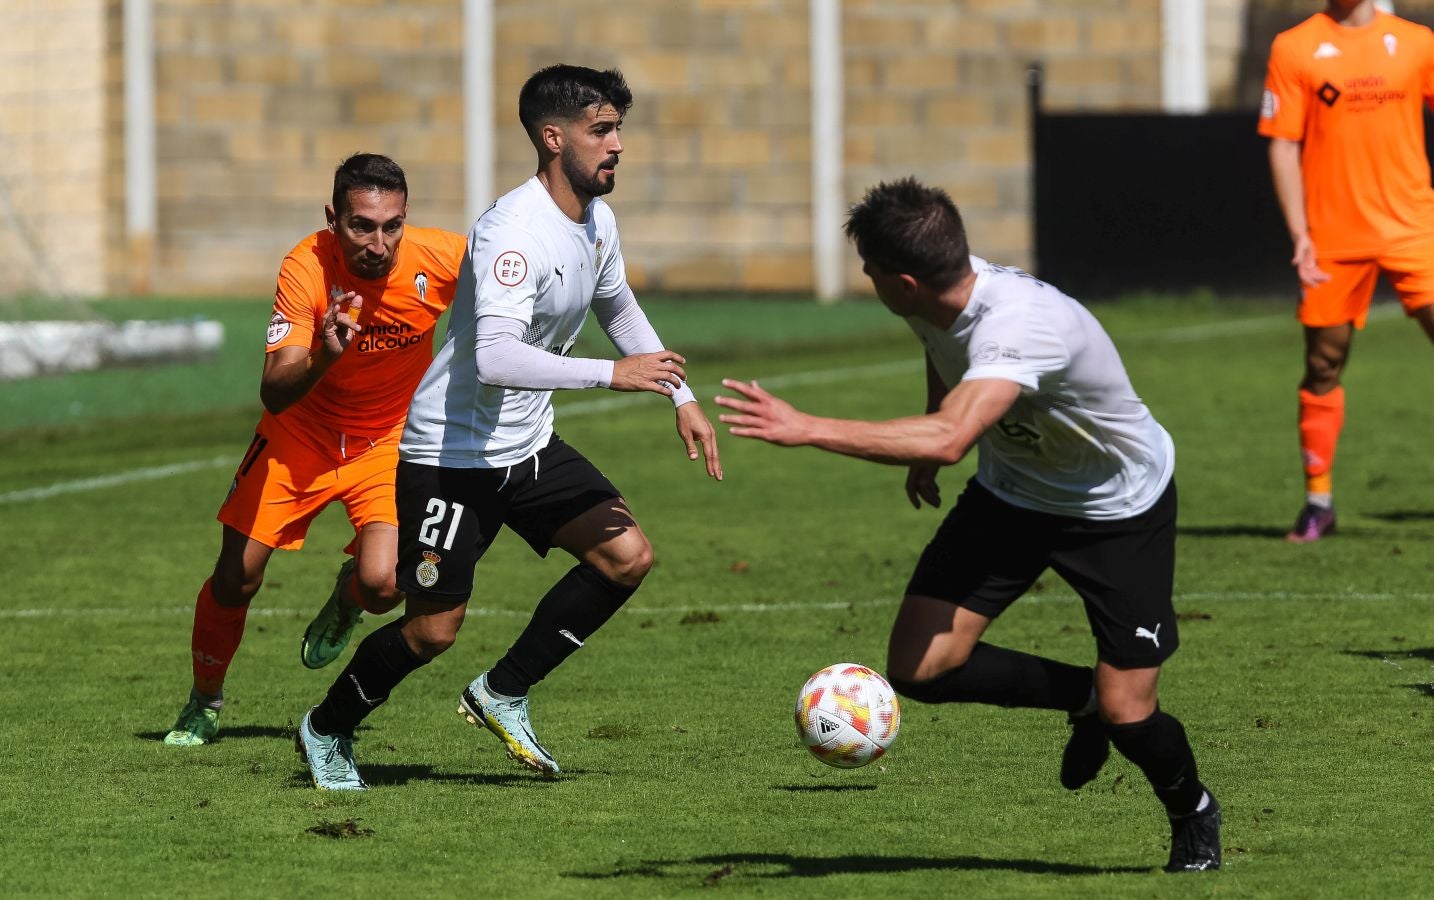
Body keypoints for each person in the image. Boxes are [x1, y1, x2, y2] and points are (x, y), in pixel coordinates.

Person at [714, 178, 1221, 873]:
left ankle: (1192, 808)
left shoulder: (1019, 324)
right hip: (1012, 494)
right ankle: (1081, 699)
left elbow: (954, 438)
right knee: (920, 666)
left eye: (869, 270)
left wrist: (808, 427)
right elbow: (940, 352)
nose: (865, 279)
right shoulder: (934, 297)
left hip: (1114, 508)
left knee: (1130, 712)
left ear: (904, 280)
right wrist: (927, 434)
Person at [295, 64, 723, 790]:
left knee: (626, 558)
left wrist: (678, 392)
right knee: (432, 630)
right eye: (601, 130)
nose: (617, 144)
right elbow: (494, 358)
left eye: (618, 129)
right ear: (553, 138)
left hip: (527, 447)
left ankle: (503, 691)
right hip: (451, 457)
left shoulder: (597, 222)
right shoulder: (511, 235)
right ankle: (327, 727)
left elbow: (617, 306)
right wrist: (612, 374)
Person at [162, 154, 466, 746]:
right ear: (333, 218)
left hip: (387, 442)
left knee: (384, 586)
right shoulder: (305, 266)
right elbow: (275, 391)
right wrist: (325, 355)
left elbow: (512, 278)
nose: (378, 244)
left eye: (392, 226)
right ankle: (205, 700)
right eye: (361, 226)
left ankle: (347, 598)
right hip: (301, 434)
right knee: (236, 578)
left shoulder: (441, 257)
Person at [1259, 0, 1434, 542]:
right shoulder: (1295, 47)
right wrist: (1300, 233)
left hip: (1414, 227)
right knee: (1323, 363)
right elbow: (1283, 143)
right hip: (1333, 236)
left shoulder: (1417, 42)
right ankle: (1319, 501)